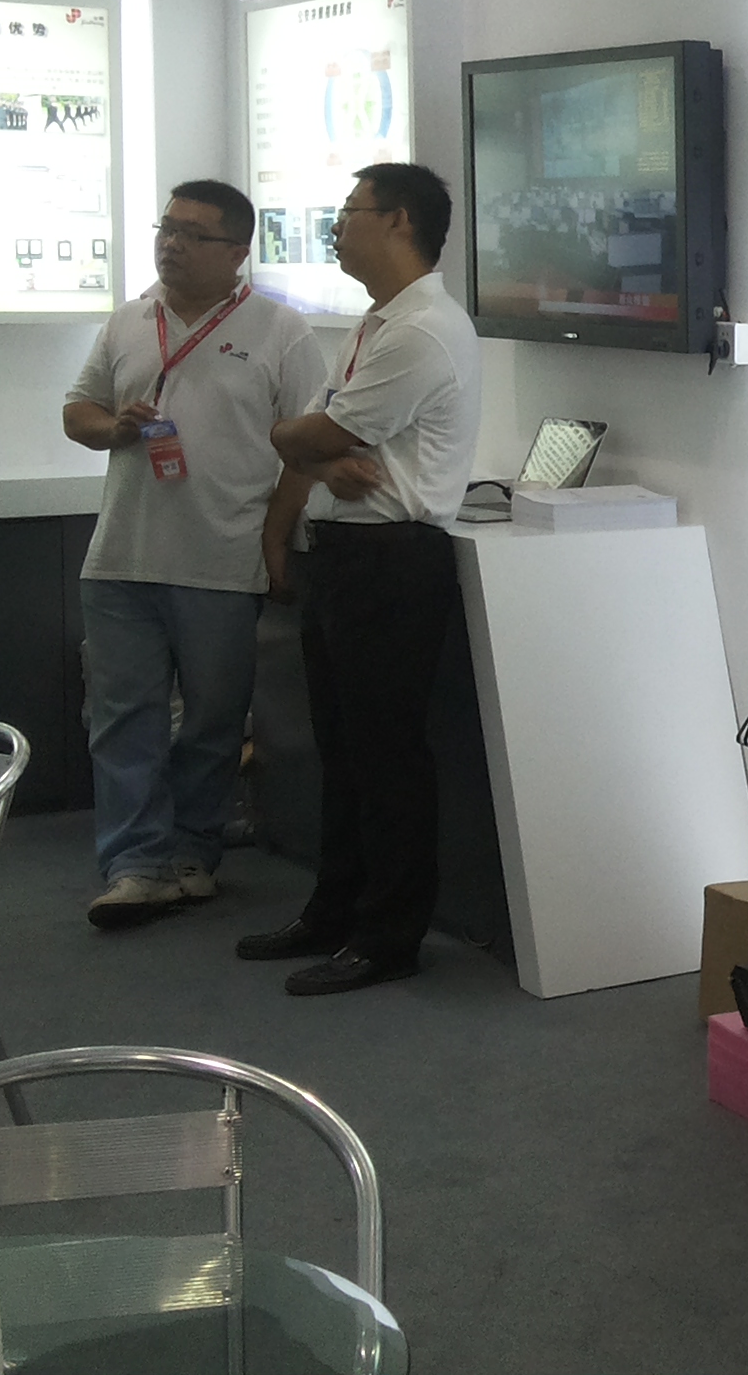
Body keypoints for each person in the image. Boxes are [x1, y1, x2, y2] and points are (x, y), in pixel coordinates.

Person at [235, 162, 480, 995]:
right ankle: (334, 910)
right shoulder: (378, 322)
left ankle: (388, 935)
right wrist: (315, 449)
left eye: (349, 212)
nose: (335, 227)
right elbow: (314, 439)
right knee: (341, 750)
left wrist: (310, 444)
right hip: (345, 556)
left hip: (392, 560)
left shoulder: (423, 331)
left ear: (400, 220)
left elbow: (306, 435)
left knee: (386, 756)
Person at [63, 180, 326, 929]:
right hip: (120, 557)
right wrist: (113, 427)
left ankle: (191, 856)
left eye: (193, 234)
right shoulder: (129, 319)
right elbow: (77, 411)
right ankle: (133, 864)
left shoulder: (281, 331)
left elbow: (307, 449)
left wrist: (275, 539)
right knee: (122, 720)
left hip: (222, 558)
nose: (172, 244)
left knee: (213, 721)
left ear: (238, 252)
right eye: (167, 228)